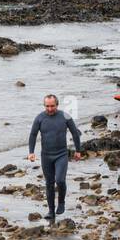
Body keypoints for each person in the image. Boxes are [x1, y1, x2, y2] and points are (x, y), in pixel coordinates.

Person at [27, 94, 83, 224]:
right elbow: (33, 135)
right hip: (46, 156)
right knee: (49, 183)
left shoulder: (65, 116)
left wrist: (78, 150)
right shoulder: (39, 118)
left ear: (57, 105)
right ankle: (51, 211)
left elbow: (75, 133)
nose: (50, 109)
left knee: (60, 180)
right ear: (44, 105)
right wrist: (31, 152)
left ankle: (61, 202)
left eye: (52, 106)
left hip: (61, 154)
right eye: (47, 106)